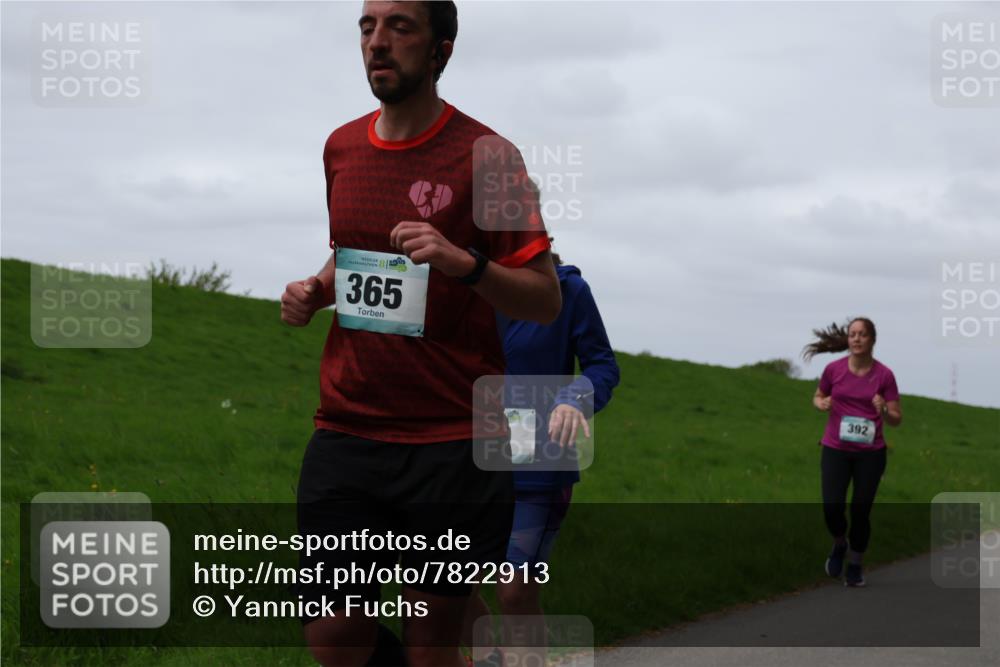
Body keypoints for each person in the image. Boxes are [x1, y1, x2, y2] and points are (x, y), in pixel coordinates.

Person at [280, 2, 562, 666]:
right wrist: (316, 291)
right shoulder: (340, 146)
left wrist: (463, 262)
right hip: (345, 428)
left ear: (441, 49)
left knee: (431, 642)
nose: (378, 42)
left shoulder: (488, 156)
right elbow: (351, 252)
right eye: (368, 26)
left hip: (448, 441)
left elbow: (545, 298)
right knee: (332, 630)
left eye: (400, 27)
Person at [463, 245, 620, 666]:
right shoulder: (458, 280)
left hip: (539, 463)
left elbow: (602, 365)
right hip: (462, 459)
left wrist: (575, 398)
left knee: (515, 590)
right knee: (445, 589)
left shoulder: (568, 290)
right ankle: (492, 657)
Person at [804, 317, 902, 587]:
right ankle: (839, 543)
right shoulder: (833, 370)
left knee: (860, 511)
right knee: (832, 508)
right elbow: (817, 396)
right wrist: (821, 403)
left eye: (862, 334)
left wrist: (884, 408)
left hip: (870, 454)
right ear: (848, 340)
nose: (856, 339)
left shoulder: (884, 375)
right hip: (835, 448)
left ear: (872, 340)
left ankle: (856, 565)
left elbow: (896, 418)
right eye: (852, 334)